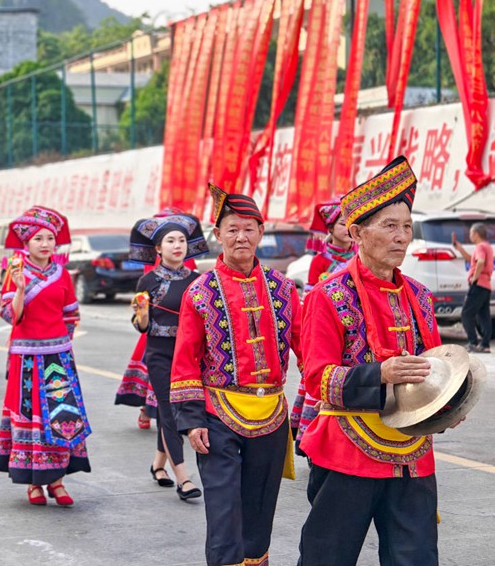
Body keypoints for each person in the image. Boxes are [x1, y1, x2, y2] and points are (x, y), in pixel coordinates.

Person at [298, 157, 444, 566]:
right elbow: (317, 379)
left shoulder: (419, 295)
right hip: (347, 449)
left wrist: (450, 401)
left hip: (413, 453)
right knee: (327, 556)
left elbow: (436, 366)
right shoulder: (327, 296)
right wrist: (379, 373)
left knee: (415, 558)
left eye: (407, 226)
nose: (402, 237)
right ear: (358, 233)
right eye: (390, 226)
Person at [171, 184, 301, 566]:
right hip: (217, 415)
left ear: (261, 232)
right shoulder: (200, 293)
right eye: (232, 229)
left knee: (260, 508)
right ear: (218, 235)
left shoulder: (284, 289)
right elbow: (185, 360)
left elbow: (309, 348)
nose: (241, 236)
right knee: (225, 511)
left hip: (272, 415)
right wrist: (192, 420)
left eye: (249, 228)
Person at [0, 206, 89, 507]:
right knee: (31, 415)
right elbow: (12, 316)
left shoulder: (62, 274)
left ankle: (57, 481)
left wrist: (62, 343)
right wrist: (20, 289)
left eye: (50, 238)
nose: (45, 244)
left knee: (62, 415)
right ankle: (34, 483)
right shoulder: (16, 273)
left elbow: (71, 314)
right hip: (26, 357)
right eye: (38, 239)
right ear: (26, 244)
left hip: (58, 356)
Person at [129, 212, 207, 501]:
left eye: (182, 240)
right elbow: (141, 326)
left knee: (175, 412)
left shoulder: (200, 281)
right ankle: (184, 479)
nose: (178, 245)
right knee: (170, 411)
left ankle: (158, 465)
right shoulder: (147, 281)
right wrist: (143, 314)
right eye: (170, 241)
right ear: (158, 249)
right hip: (160, 354)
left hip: (192, 354)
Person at [291, 200, 356, 453]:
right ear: (330, 229)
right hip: (326, 325)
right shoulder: (320, 261)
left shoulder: (361, 255)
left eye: (350, 224)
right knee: (322, 382)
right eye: (342, 223)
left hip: (353, 326)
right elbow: (309, 299)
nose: (347, 228)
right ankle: (312, 442)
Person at [452, 223, 493, 354]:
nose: (470, 235)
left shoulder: (480, 247)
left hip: (478, 285)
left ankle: (473, 342)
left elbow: (480, 261)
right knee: (484, 315)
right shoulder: (487, 246)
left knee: (466, 314)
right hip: (486, 286)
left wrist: (474, 278)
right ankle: (485, 345)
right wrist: (459, 248)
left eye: (471, 233)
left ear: (475, 234)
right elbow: (472, 260)